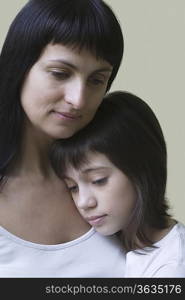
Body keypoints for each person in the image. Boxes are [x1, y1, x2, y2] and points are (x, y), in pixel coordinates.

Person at [0, 0, 126, 277]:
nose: (78, 99)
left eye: (96, 80)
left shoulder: (116, 173)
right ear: (18, 67)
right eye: (60, 74)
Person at [50, 91, 185, 278]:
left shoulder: (174, 267)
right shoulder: (106, 240)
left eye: (99, 180)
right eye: (73, 187)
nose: (83, 202)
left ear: (143, 168)